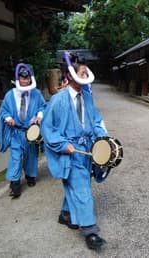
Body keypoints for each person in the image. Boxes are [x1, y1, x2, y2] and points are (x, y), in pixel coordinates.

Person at [41, 59, 108, 250]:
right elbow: (47, 128)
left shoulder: (87, 97)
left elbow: (96, 120)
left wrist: (103, 139)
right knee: (82, 189)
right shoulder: (58, 99)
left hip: (86, 151)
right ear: (70, 75)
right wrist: (62, 144)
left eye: (87, 72)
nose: (86, 75)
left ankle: (65, 214)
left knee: (81, 183)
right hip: (70, 152)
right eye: (83, 72)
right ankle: (90, 232)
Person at [0, 63, 45, 199]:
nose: (25, 81)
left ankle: (30, 176)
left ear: (31, 78)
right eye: (22, 78)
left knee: (31, 156)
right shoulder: (9, 95)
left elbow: (43, 106)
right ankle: (15, 185)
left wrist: (39, 115)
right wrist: (8, 118)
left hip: (31, 132)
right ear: (17, 79)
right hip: (16, 133)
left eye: (27, 78)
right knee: (15, 158)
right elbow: (4, 111)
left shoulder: (36, 93)